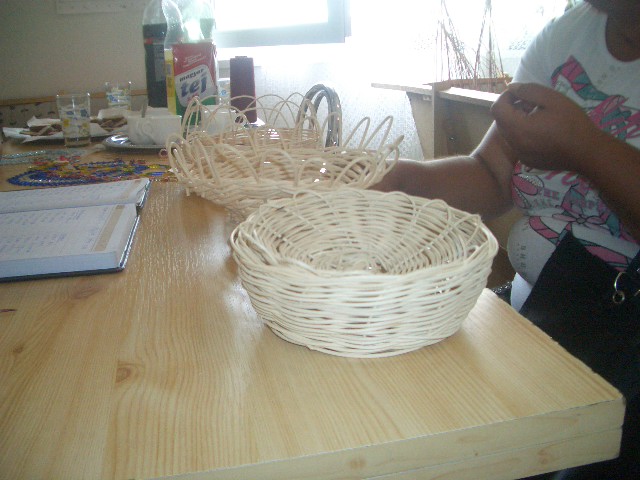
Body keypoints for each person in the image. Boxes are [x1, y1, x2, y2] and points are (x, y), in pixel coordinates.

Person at [376, 1, 640, 478]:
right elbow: (494, 173)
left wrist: (587, 149)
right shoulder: (567, 36)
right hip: (540, 320)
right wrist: (409, 183)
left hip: (619, 351)